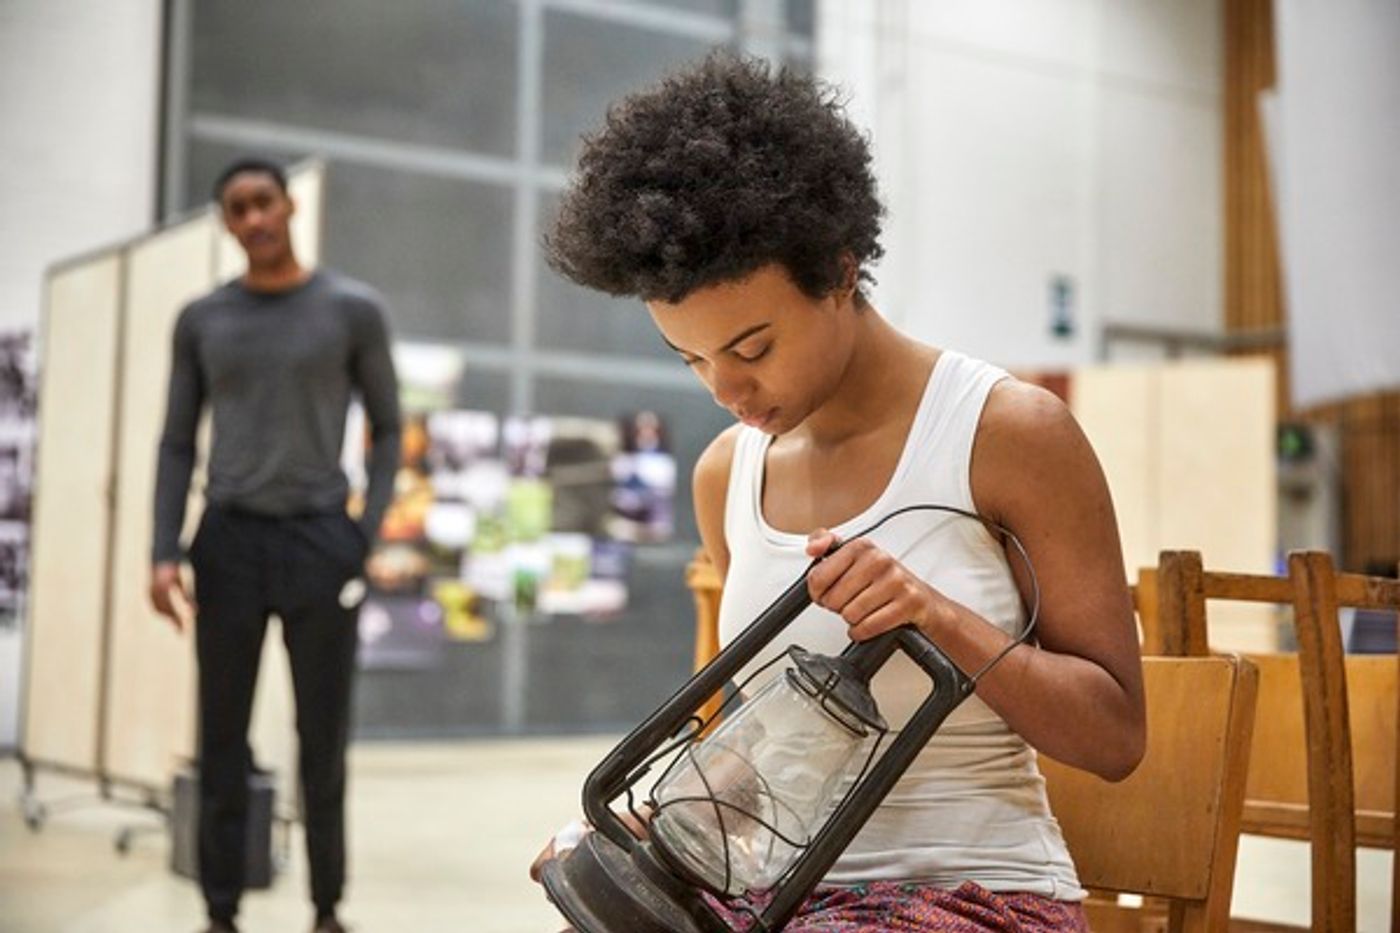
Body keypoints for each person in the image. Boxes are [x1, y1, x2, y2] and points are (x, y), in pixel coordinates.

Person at [532, 54, 1146, 931]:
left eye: (751, 348)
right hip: (776, 899)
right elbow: (772, 750)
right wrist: (653, 828)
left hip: (978, 892)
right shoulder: (728, 473)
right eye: (691, 358)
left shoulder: (1008, 434)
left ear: (840, 272)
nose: (726, 390)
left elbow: (1115, 737)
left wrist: (934, 615)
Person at [150, 157, 401, 933]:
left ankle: (326, 908)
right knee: (221, 736)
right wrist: (163, 549)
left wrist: (363, 532)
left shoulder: (352, 310)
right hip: (227, 541)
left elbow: (390, 427)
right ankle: (219, 911)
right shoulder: (202, 319)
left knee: (321, 736)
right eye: (238, 208)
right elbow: (176, 442)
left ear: (289, 206)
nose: (254, 218)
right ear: (227, 223)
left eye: (264, 201)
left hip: (321, 541)